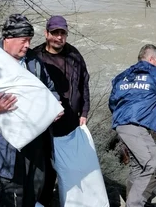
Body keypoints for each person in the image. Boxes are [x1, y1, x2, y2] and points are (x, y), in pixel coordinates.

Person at [0, 14, 62, 207]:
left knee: (33, 193)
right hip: (4, 150)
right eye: (23, 40)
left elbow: (50, 89)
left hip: (34, 146)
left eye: (29, 40)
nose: (27, 45)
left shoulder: (33, 62)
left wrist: (54, 106)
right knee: (11, 199)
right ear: (8, 39)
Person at [33, 15, 103, 206]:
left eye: (62, 33)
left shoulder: (74, 55)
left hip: (71, 121)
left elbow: (84, 83)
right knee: (44, 170)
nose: (59, 37)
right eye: (55, 33)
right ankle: (43, 201)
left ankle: (74, 201)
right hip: (44, 124)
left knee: (73, 167)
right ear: (46, 33)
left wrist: (85, 112)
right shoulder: (35, 57)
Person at [108, 44, 156, 207]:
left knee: (138, 166)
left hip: (121, 125)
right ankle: (135, 203)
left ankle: (131, 197)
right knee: (153, 166)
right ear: (152, 59)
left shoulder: (122, 76)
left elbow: (112, 103)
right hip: (137, 126)